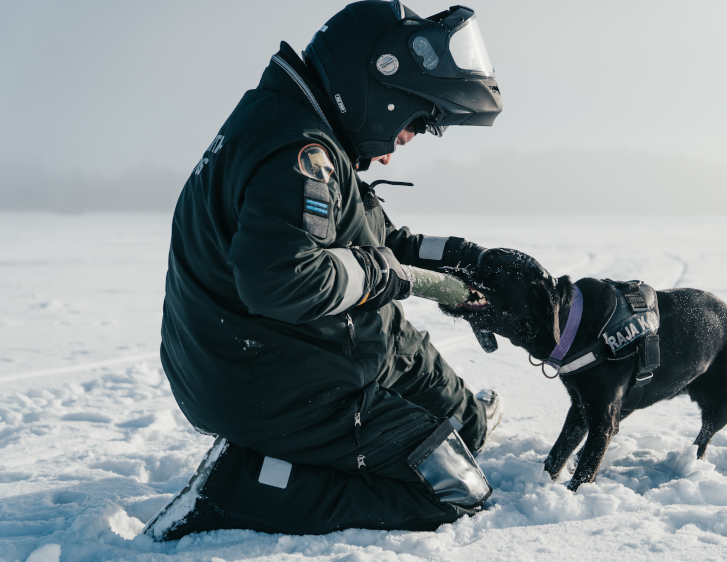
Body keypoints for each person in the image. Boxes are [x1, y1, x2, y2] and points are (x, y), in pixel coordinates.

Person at [144, 0, 505, 540]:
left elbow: (376, 242)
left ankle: (442, 424)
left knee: (465, 429)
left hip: (290, 347)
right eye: (409, 128)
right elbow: (283, 279)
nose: (391, 154)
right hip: (270, 377)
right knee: (453, 488)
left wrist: (466, 259)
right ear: (382, 89)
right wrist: (394, 277)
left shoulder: (303, 122)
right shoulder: (300, 148)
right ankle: (245, 485)